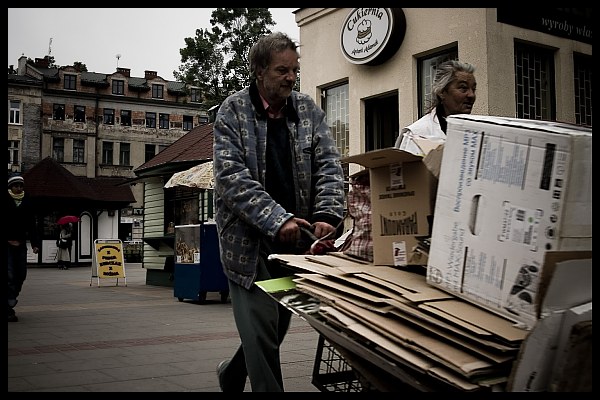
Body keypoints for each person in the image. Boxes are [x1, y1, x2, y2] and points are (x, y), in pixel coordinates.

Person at [212, 32, 345, 392]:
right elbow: (230, 178)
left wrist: (328, 215)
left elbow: (330, 166)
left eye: (294, 70)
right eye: (281, 70)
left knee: (276, 326)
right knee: (264, 333)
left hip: (295, 245)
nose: (290, 77)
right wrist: (277, 219)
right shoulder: (232, 111)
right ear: (258, 71)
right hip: (248, 247)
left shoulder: (308, 111)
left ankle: (233, 372)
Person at [395, 60, 476, 155]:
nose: (471, 95)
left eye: (474, 89)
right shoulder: (416, 135)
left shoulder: (477, 132)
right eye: (463, 88)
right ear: (441, 92)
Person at [7, 173, 40, 322]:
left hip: (21, 244)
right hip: (7, 244)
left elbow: (32, 224)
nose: (19, 188)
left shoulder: (27, 201)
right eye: (16, 186)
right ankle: (9, 306)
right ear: (10, 187)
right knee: (9, 275)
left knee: (21, 274)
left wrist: (35, 243)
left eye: (21, 186)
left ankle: (12, 298)